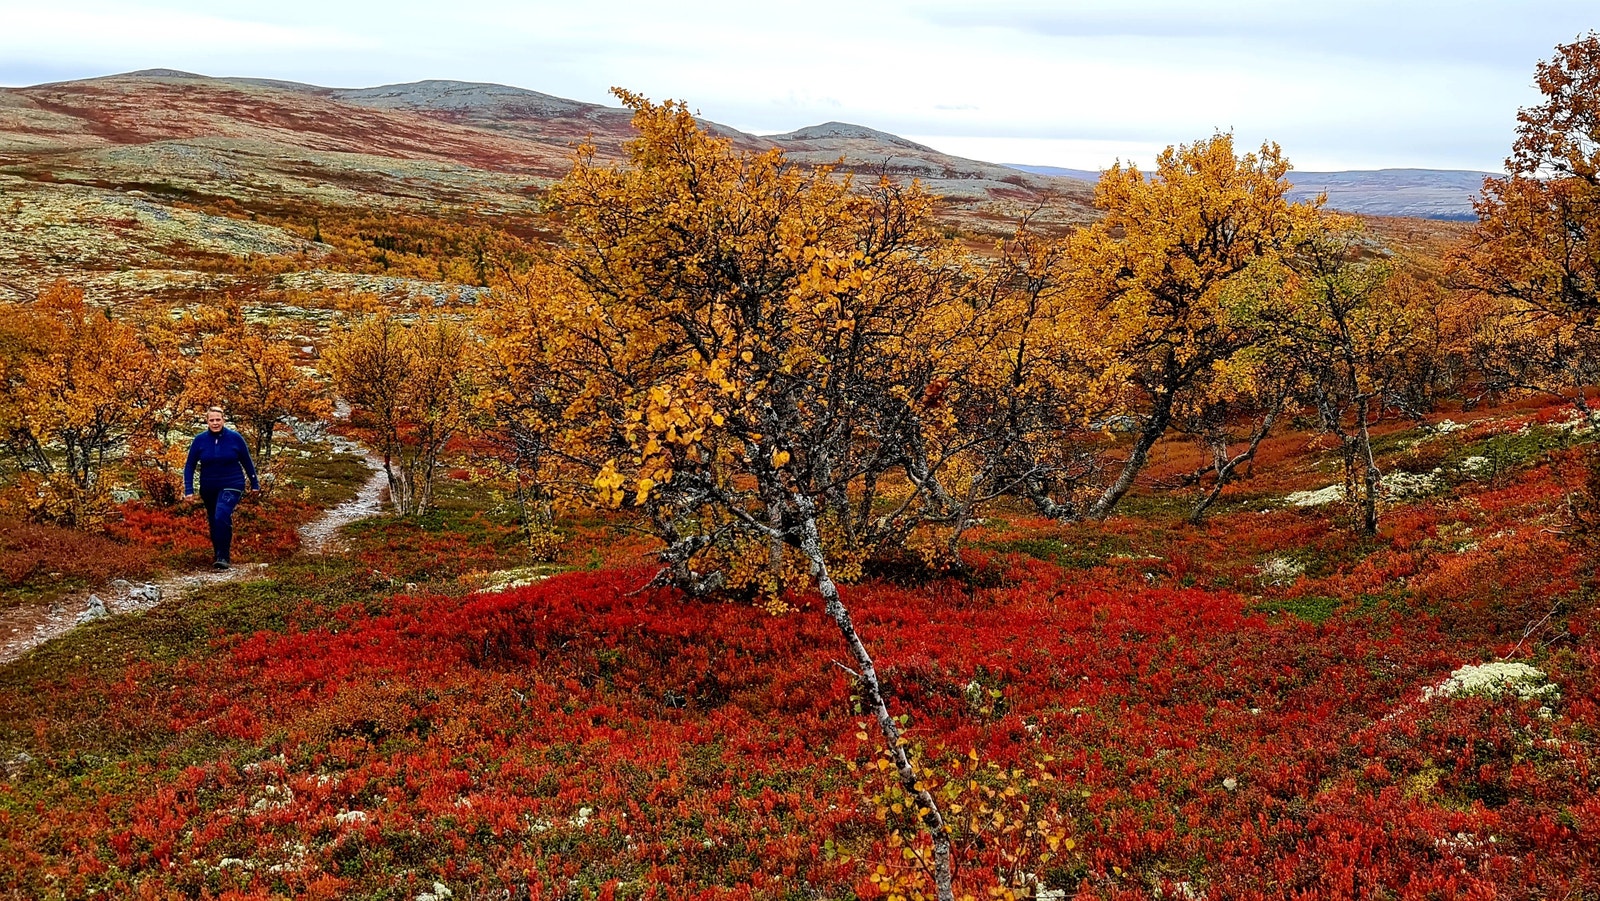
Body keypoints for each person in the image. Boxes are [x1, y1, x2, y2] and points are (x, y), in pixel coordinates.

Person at [182, 406, 260, 570]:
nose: (215, 423)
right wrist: (189, 490)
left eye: (218, 419)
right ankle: (218, 553)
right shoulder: (200, 440)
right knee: (214, 520)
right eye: (212, 420)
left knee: (221, 514)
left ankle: (224, 556)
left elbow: (247, 461)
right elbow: (190, 465)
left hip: (233, 483)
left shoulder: (235, 438)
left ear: (223, 420)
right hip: (208, 487)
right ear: (207, 421)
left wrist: (255, 484)